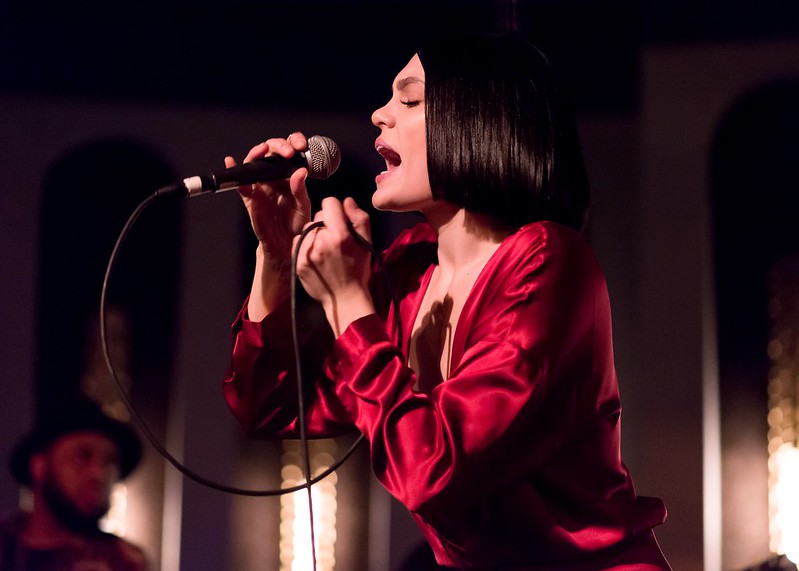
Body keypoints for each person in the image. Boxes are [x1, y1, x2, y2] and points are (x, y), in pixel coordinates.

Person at [222, 31, 671, 570]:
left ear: (481, 119)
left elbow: (433, 471)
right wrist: (275, 253)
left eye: (409, 100)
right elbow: (269, 406)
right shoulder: (412, 266)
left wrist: (347, 301)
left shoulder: (548, 260)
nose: (378, 115)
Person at [0, 396, 149, 570]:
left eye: (110, 461)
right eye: (83, 456)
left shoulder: (125, 561)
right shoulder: (5, 543)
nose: (98, 474)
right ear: (39, 466)